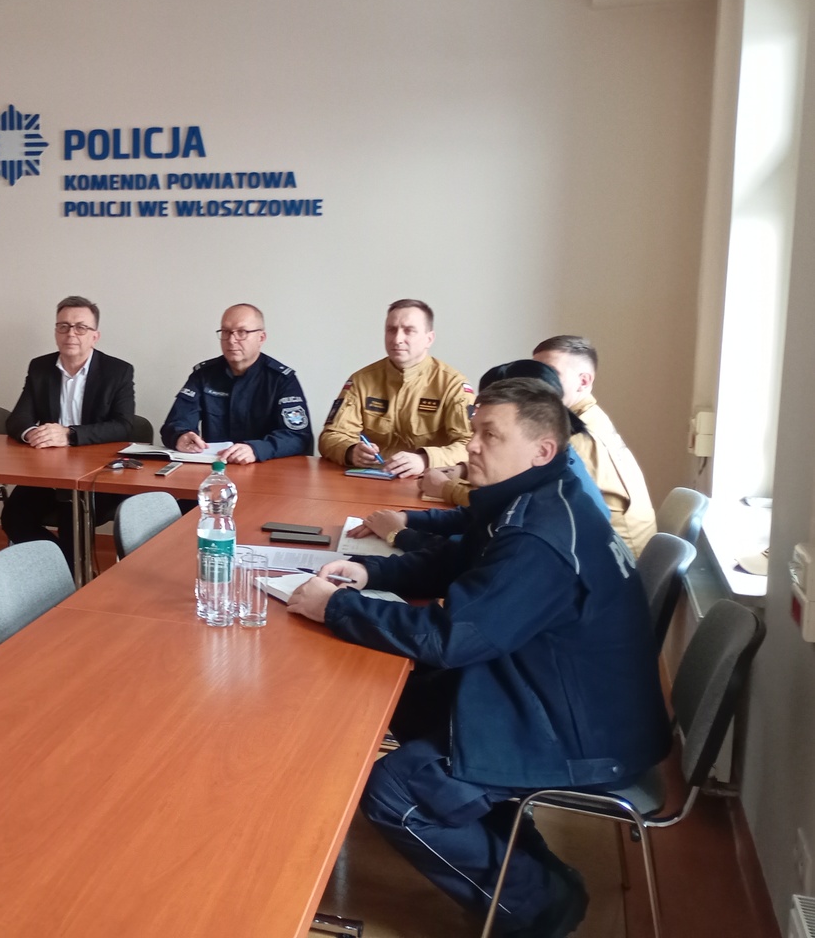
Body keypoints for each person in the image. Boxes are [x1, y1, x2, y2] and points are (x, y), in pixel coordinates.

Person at [287, 378, 669, 937]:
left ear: (541, 449)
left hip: (585, 737)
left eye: (490, 435)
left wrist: (337, 607)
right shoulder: (538, 495)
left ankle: (538, 909)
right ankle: (529, 865)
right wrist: (370, 572)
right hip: (555, 695)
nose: (471, 445)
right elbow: (455, 563)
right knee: (409, 700)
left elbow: (454, 637)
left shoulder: (541, 534)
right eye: (475, 432)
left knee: (396, 790)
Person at [355, 359, 610, 554]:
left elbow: (467, 560)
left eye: (490, 433)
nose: (471, 446)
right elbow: (474, 517)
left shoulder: (540, 524)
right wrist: (407, 518)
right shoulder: (545, 470)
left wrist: (398, 534)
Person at [2, 296, 135, 568]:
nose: (71, 333)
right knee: (13, 518)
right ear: (55, 332)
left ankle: (71, 580)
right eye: (63, 326)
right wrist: (32, 433)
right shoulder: (40, 368)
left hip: (96, 475)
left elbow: (124, 425)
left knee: (71, 520)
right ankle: (60, 569)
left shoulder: (117, 371)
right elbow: (17, 419)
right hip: (48, 472)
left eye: (80, 327)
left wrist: (69, 435)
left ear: (95, 336)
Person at [318, 299, 472, 477]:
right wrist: (351, 451)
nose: (397, 339)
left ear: (429, 339)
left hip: (428, 481)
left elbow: (471, 445)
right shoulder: (361, 380)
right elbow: (330, 436)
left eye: (409, 331)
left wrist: (425, 460)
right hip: (370, 479)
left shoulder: (453, 385)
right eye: (391, 330)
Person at [533, 335, 656, 556]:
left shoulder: (577, 435)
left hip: (619, 560)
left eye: (552, 374)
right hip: (622, 549)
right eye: (537, 373)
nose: (539, 383)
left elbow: (538, 505)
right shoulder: (592, 416)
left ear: (583, 381)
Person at [158, 303, 313, 464]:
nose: (231, 340)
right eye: (226, 332)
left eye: (242, 332)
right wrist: (180, 436)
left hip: (266, 468)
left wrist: (257, 449)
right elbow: (175, 422)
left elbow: (298, 436)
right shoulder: (203, 375)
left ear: (261, 338)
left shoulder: (281, 380)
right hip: (216, 467)